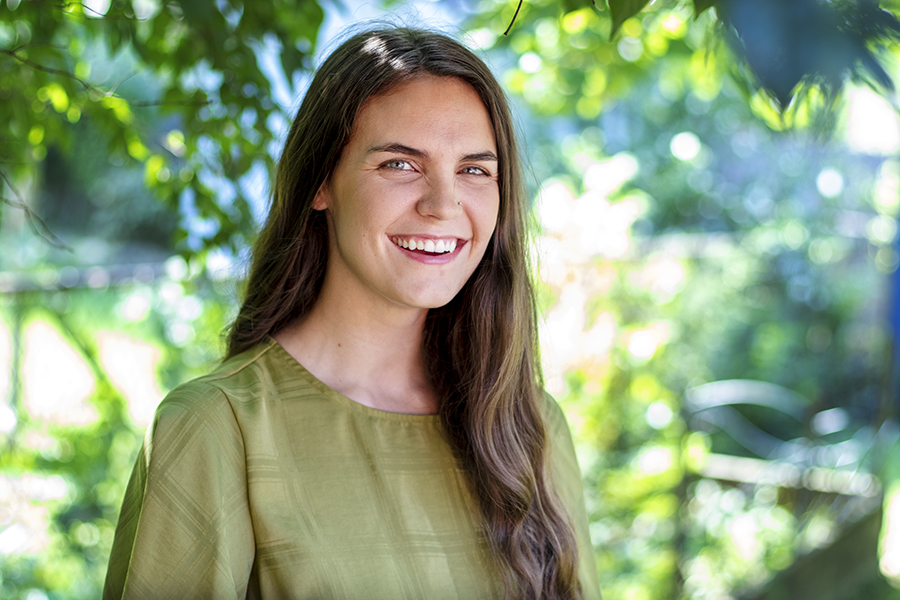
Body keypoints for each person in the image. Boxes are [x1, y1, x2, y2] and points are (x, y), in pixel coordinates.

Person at [103, 26, 601, 600]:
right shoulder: (218, 428)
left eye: (473, 170)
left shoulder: (530, 426)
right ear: (320, 182)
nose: (443, 205)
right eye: (400, 165)